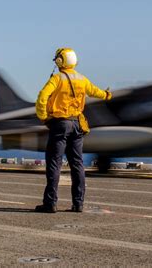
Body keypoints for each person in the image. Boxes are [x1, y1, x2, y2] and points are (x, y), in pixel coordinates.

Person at [34, 47, 112, 213]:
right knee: (77, 164)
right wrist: (107, 95)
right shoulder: (82, 79)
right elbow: (95, 91)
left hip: (60, 124)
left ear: (61, 61)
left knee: (54, 164)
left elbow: (42, 97)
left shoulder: (57, 78)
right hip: (77, 124)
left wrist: (43, 117)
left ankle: (50, 204)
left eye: (57, 58)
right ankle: (78, 204)